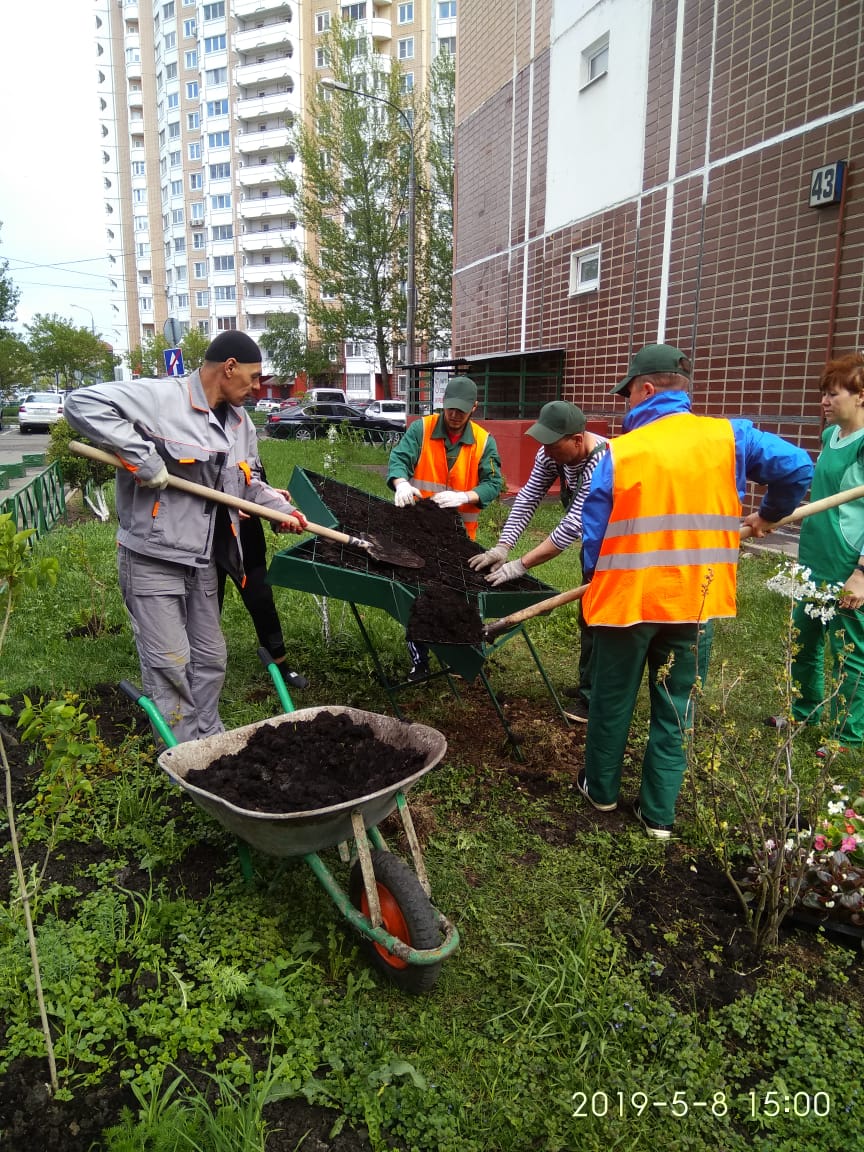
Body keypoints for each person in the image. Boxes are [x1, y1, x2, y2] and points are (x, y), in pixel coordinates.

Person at [577, 343, 814, 838]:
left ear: (645, 389)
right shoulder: (729, 437)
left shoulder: (620, 453)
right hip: (695, 601)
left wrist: (590, 584)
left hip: (627, 603)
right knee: (675, 705)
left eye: (628, 395)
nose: (626, 406)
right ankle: (658, 815)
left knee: (611, 702)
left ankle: (600, 792)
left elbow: (594, 537)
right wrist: (771, 514)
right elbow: (797, 468)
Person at [64, 330, 307, 743]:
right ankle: (181, 755)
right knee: (170, 665)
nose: (256, 387)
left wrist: (281, 511)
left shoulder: (239, 421)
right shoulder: (162, 398)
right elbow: (79, 403)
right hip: (153, 558)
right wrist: (141, 457)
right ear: (228, 368)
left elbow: (243, 480)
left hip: (203, 559)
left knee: (211, 659)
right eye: (252, 376)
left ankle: (209, 741)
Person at [467, 401, 609, 721]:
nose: (547, 452)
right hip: (595, 540)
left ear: (576, 439)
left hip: (621, 542)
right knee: (588, 614)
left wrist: (520, 565)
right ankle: (589, 684)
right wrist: (502, 548)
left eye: (554, 445)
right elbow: (528, 498)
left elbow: (571, 526)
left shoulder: (601, 462)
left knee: (604, 616)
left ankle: (594, 699)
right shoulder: (551, 455)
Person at [767, 353, 864, 757]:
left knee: (849, 652)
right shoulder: (829, 438)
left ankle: (847, 735)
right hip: (813, 554)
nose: (824, 401)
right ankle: (804, 711)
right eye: (822, 394)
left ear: (861, 397)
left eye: (833, 393)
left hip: (847, 560)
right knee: (803, 640)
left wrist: (861, 573)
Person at [387, 374, 503, 679]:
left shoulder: (483, 441)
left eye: (461, 410)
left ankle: (461, 656)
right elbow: (399, 459)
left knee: (459, 596)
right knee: (418, 596)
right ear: (443, 403)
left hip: (459, 538)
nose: (454, 415)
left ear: (474, 408)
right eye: (450, 408)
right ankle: (420, 660)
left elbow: (495, 483)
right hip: (419, 530)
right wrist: (400, 483)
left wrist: (467, 495)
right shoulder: (422, 429)